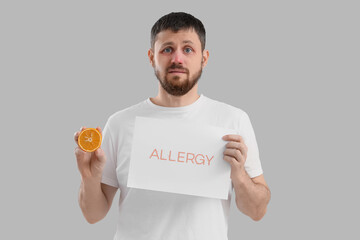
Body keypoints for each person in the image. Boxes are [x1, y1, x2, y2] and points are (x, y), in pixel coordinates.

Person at [74, 12, 271, 240]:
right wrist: (89, 177)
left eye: (188, 49)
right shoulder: (120, 123)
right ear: (151, 57)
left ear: (204, 58)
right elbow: (93, 215)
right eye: (167, 49)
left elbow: (257, 211)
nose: (177, 59)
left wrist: (239, 176)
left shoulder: (233, 120)